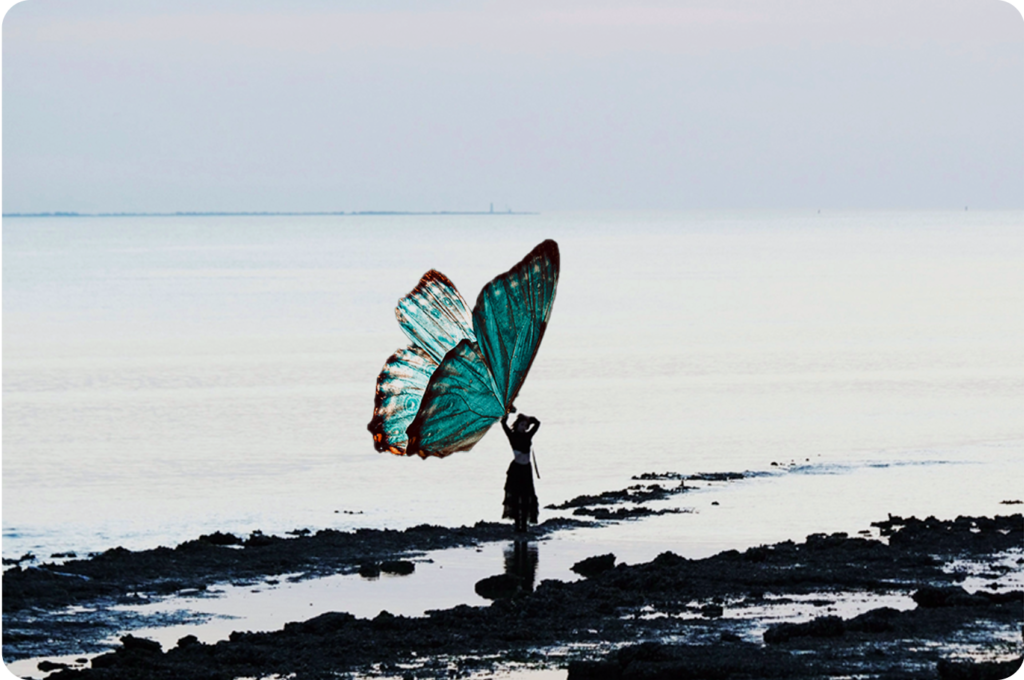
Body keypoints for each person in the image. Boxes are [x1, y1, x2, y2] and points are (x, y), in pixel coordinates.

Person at [500, 411, 540, 533]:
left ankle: (524, 525)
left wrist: (529, 419)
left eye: (524, 426)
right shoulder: (512, 436)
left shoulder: (528, 436)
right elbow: (503, 423)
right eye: (521, 425)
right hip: (516, 470)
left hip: (526, 469)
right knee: (516, 497)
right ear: (516, 425)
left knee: (527, 496)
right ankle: (518, 525)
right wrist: (506, 415)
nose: (523, 428)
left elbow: (537, 423)